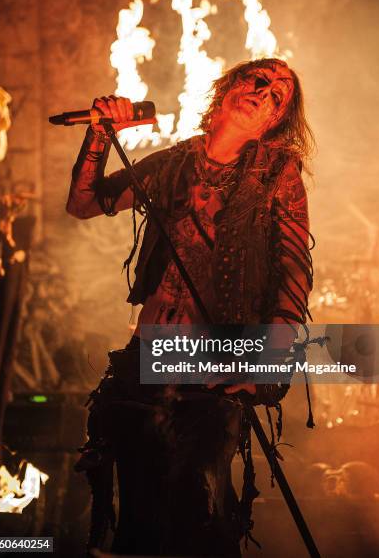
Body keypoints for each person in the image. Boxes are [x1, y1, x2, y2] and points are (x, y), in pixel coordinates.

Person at [67, 58, 314, 556]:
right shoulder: (174, 162)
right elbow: (85, 202)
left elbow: (293, 273)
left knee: (199, 516)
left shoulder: (276, 174)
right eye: (258, 81)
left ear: (275, 122)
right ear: (227, 88)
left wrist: (266, 362)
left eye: (277, 97)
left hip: (210, 366)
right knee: (139, 521)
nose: (264, 94)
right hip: (145, 361)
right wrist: (100, 134)